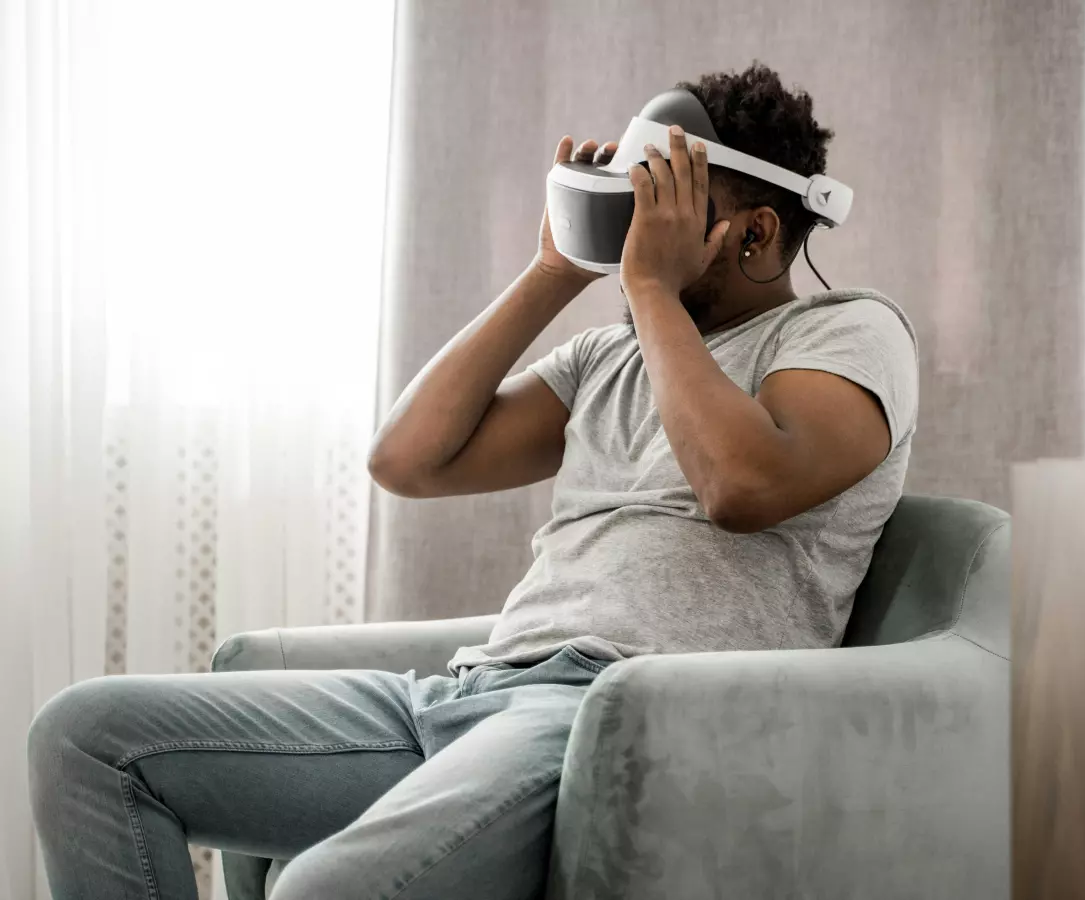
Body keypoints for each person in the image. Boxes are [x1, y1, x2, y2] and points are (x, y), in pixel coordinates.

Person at [28, 63, 917, 900]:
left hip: (612, 718)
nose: (642, 231)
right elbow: (408, 460)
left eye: (670, 207)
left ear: (756, 231)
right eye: (638, 204)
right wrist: (552, 273)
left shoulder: (847, 334)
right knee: (84, 739)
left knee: (318, 891)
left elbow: (740, 485)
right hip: (470, 693)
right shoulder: (612, 354)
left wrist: (648, 288)